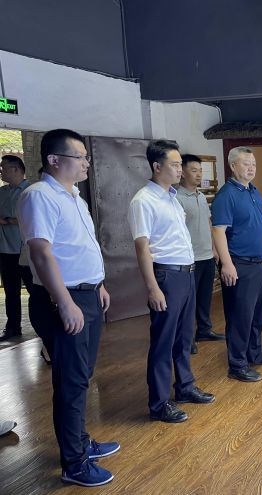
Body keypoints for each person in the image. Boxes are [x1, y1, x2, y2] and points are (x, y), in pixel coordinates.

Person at [17, 129, 118, 487]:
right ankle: (74, 463)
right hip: (63, 299)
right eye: (81, 157)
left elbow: (79, 246)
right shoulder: (39, 196)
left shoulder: (74, 196)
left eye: (87, 157)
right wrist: (65, 302)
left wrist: (99, 284)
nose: (87, 163)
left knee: (81, 376)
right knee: (71, 381)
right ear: (54, 160)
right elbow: (42, 254)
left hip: (87, 295)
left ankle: (81, 442)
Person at [128, 140, 214, 424]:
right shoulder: (144, 200)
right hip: (166, 276)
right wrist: (153, 287)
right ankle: (159, 403)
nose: (180, 170)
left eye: (180, 165)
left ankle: (185, 387)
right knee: (163, 341)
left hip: (186, 273)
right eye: (175, 165)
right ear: (157, 166)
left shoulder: (171, 197)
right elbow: (142, 248)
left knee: (184, 337)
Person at [211, 146, 262, 382]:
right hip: (240, 264)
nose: (251, 168)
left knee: (257, 315)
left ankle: (254, 353)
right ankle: (238, 365)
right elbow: (218, 231)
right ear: (233, 166)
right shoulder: (226, 195)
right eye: (246, 164)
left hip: (260, 263)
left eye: (253, 164)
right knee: (240, 317)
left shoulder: (253, 191)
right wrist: (227, 264)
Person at [176, 154, 224, 355]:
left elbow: (209, 223)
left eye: (200, 170)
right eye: (194, 170)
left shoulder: (201, 197)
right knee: (188, 301)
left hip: (207, 255)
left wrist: (214, 248)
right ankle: (186, 338)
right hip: (190, 258)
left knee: (205, 297)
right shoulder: (176, 198)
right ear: (182, 173)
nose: (198, 174)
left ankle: (204, 330)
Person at [0, 155, 31, 341]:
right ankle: (12, 328)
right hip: (5, 250)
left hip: (26, 251)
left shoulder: (30, 191)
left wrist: (7, 220)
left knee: (36, 292)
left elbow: (31, 218)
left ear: (16, 169)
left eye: (3, 168)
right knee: (11, 292)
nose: (1, 171)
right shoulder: (2, 192)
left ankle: (45, 327)